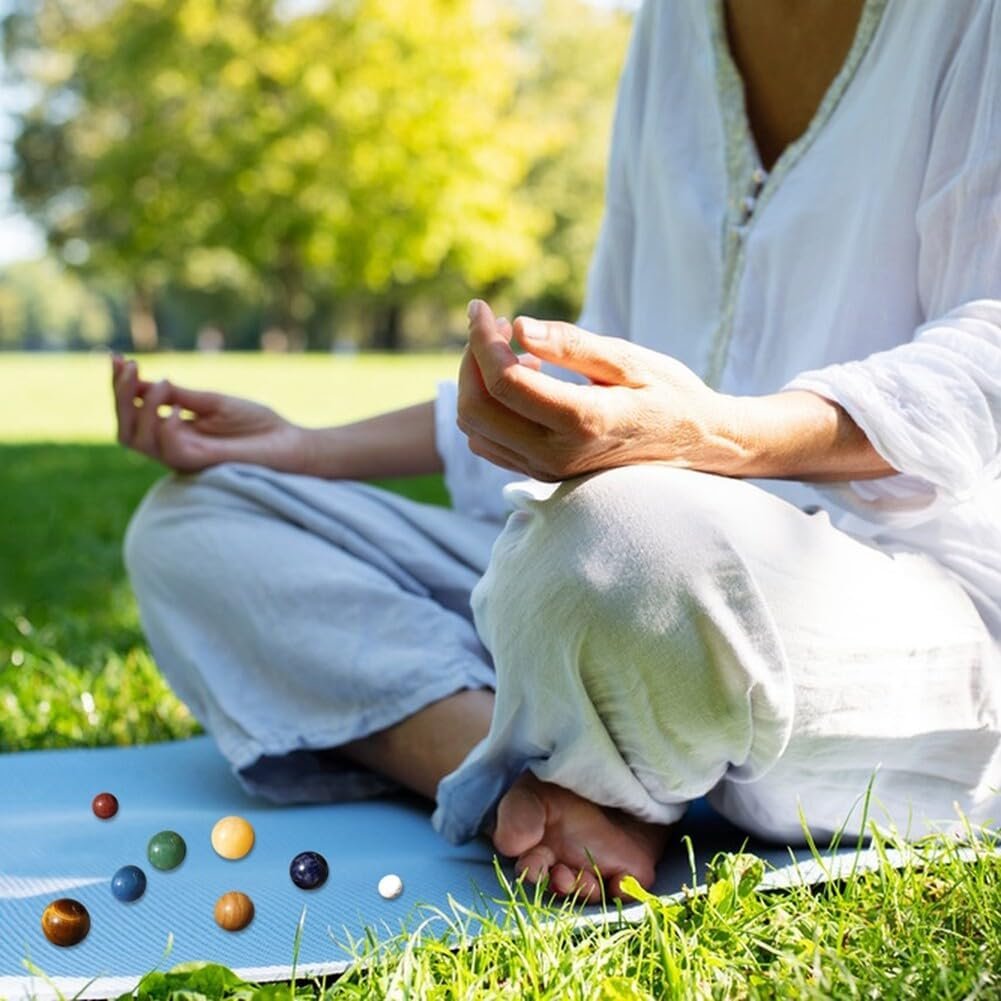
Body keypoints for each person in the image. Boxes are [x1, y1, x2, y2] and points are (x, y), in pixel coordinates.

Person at [117, 0, 1001, 903]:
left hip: (896, 599)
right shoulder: (675, 23)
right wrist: (303, 448)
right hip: (617, 579)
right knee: (194, 522)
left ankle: (589, 744)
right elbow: (605, 372)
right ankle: (523, 780)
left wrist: (712, 432)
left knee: (622, 546)